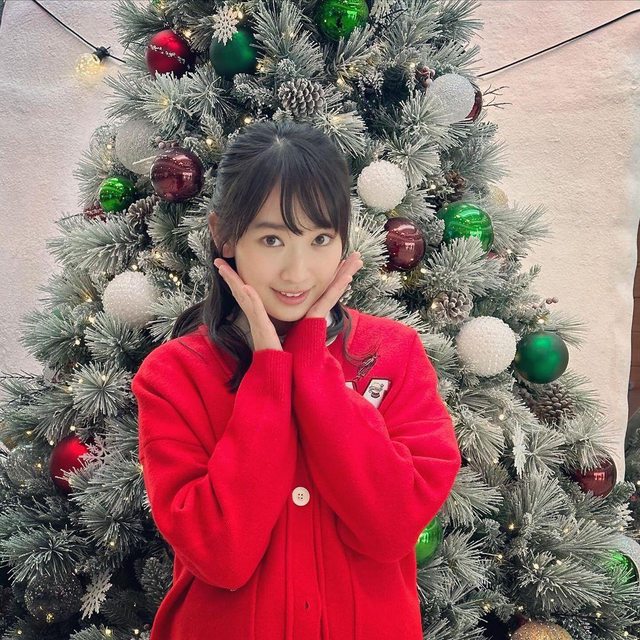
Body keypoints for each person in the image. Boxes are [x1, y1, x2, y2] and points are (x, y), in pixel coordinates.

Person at [131, 120, 461, 640]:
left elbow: (392, 527)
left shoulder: (394, 354)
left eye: (320, 238)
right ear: (224, 234)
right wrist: (269, 376)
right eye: (271, 239)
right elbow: (222, 555)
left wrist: (310, 366)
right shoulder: (174, 375)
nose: (297, 272)